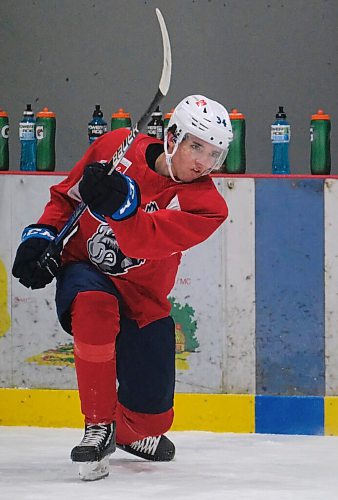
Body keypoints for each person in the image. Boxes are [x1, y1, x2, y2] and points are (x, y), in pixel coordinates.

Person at [12, 94, 233, 480]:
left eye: (214, 154)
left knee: (154, 419)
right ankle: (97, 424)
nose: (203, 162)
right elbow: (68, 198)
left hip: (143, 299)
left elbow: (142, 240)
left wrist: (124, 203)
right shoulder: (115, 147)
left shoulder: (207, 205)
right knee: (94, 305)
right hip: (88, 270)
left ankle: (126, 431)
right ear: (173, 136)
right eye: (196, 146)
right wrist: (41, 236)